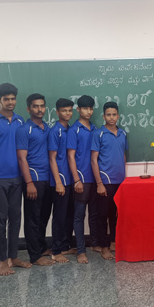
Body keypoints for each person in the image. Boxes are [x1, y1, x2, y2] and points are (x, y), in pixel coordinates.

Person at [0, 83, 31, 276]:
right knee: (0, 220)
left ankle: (13, 257)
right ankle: (2, 261)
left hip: (17, 177)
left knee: (16, 218)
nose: (10, 102)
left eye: (13, 99)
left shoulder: (20, 121)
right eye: (6, 99)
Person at [16, 93, 54, 267]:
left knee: (43, 216)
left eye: (42, 106)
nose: (39, 109)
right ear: (28, 108)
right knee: (32, 218)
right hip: (34, 179)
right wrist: (29, 183)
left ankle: (41, 247)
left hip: (48, 178)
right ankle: (34, 255)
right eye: (35, 106)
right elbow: (21, 158)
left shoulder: (47, 128)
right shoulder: (24, 130)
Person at [91, 101, 128, 261]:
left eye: (114, 115)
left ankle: (113, 243)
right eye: (108, 115)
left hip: (119, 181)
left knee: (115, 215)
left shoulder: (123, 133)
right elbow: (93, 160)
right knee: (103, 216)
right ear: (103, 116)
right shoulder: (98, 134)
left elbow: (123, 155)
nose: (111, 117)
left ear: (118, 116)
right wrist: (99, 183)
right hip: (105, 181)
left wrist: (124, 178)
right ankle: (104, 247)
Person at [67, 95, 99, 264]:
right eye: (85, 108)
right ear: (78, 109)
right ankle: (80, 250)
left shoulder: (95, 129)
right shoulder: (74, 130)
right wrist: (76, 180)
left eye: (91, 108)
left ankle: (95, 244)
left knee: (94, 213)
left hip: (95, 178)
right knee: (79, 215)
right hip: (81, 179)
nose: (89, 111)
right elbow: (70, 156)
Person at [48, 98, 76, 263]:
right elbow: (52, 158)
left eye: (70, 110)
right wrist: (58, 182)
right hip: (60, 180)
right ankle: (56, 250)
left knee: (68, 214)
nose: (67, 113)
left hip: (71, 179)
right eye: (64, 111)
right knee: (59, 216)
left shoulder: (71, 130)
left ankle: (65, 245)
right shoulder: (55, 131)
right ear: (57, 112)